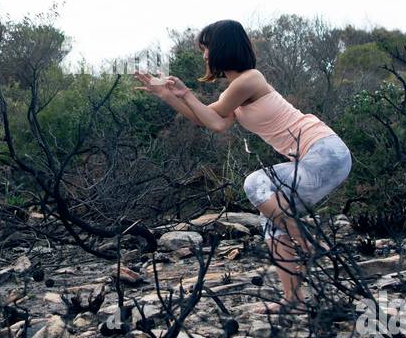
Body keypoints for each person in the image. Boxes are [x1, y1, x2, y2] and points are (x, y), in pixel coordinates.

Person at [133, 20, 352, 310]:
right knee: (272, 224)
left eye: (206, 48)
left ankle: (312, 245)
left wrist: (185, 94)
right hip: (320, 158)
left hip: (324, 152)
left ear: (222, 48)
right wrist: (167, 96)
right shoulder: (236, 93)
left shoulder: (249, 80)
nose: (204, 56)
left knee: (255, 183)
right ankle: (294, 299)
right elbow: (211, 121)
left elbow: (207, 115)